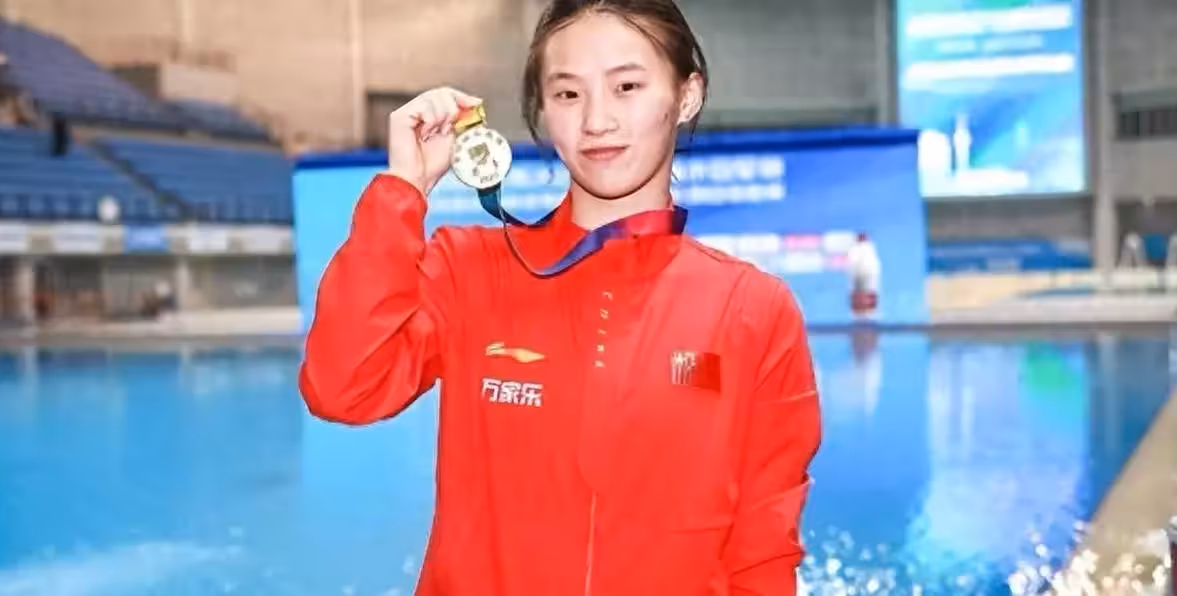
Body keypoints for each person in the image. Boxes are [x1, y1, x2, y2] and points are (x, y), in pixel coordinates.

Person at [299, 1, 822, 595]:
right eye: (568, 94)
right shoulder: (470, 271)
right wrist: (403, 190)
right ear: (543, 111)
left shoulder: (754, 309)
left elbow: (764, 553)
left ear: (687, 95)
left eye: (627, 87)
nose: (597, 120)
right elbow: (343, 388)